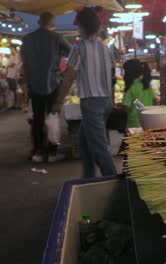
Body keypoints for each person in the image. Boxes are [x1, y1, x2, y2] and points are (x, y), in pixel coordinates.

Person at [52, 7, 117, 178]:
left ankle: (113, 182)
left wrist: (58, 102)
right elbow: (112, 77)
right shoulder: (105, 48)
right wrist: (112, 100)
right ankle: (88, 177)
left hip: (92, 102)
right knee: (84, 140)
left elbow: (69, 76)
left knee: (100, 146)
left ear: (81, 27)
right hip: (106, 101)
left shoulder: (79, 47)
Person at [21, 12, 71, 162]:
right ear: (52, 24)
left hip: (34, 84)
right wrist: (63, 73)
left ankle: (38, 151)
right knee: (52, 117)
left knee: (37, 119)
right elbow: (73, 55)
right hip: (54, 83)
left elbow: (24, 63)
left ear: (38, 22)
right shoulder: (57, 38)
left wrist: (26, 84)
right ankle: (52, 151)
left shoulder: (28, 39)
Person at [121, 59, 155, 128]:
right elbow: (155, 100)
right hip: (149, 121)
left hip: (134, 123)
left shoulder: (130, 87)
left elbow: (126, 107)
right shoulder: (147, 85)